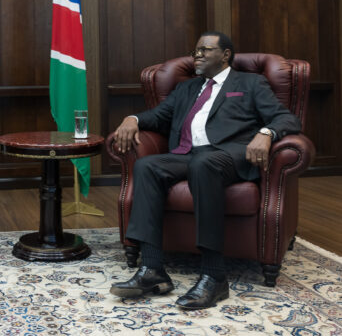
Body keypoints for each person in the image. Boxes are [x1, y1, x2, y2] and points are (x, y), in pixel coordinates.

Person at [109, 31, 301, 309]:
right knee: (147, 165)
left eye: (205, 50)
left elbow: (286, 118)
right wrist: (132, 118)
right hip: (188, 155)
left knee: (204, 163)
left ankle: (214, 274)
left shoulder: (250, 82)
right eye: (195, 50)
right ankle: (152, 270)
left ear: (225, 55)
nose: (197, 54)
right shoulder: (186, 88)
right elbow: (159, 116)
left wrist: (267, 132)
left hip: (230, 155)